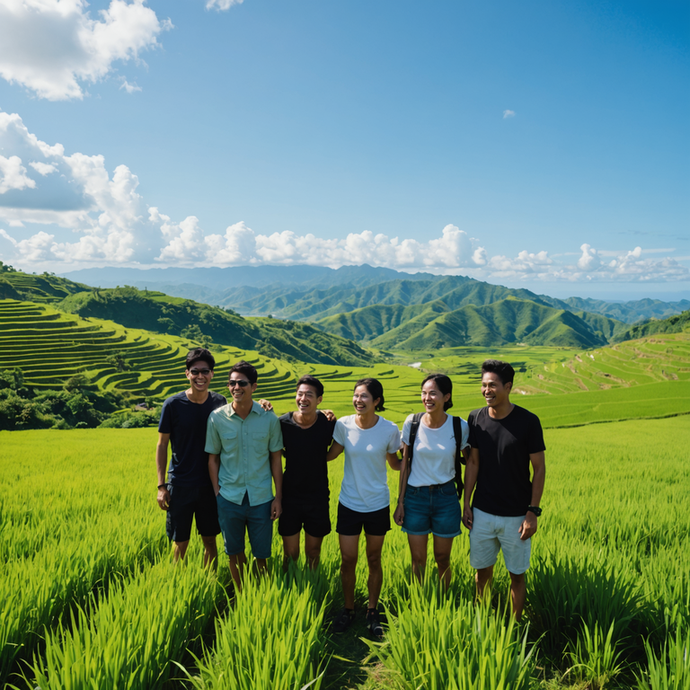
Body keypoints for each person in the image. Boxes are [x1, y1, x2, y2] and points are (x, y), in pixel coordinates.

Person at [462, 359, 546, 621]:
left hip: (516, 516)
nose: (487, 390)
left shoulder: (528, 421)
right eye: (484, 385)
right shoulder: (475, 418)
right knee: (482, 572)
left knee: (517, 575)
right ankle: (482, 622)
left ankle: (515, 626)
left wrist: (532, 512)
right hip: (483, 512)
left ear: (508, 387)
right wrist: (466, 503)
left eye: (493, 385)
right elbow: (473, 462)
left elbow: (539, 469)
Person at [326, 378, 401, 638]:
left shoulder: (390, 430)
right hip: (349, 502)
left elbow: (395, 464)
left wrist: (424, 461)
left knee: (373, 559)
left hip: (378, 504)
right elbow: (331, 454)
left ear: (377, 401)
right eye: (356, 396)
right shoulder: (343, 425)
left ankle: (372, 610)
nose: (358, 400)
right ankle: (348, 609)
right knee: (347, 560)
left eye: (364, 396)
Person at [205, 360, 283, 589]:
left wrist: (278, 497)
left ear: (254, 387)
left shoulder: (269, 418)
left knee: (262, 556)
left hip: (261, 498)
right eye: (231, 383)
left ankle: (261, 595)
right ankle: (241, 594)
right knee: (234, 553)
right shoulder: (217, 418)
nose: (236, 387)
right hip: (229, 497)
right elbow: (213, 458)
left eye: (242, 383)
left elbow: (276, 458)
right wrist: (218, 493)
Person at [394, 374, 469, 588]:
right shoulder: (413, 422)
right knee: (418, 560)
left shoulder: (458, 426)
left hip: (446, 497)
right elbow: (405, 463)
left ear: (446, 397)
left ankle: (443, 600)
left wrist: (467, 504)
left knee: (442, 559)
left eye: (433, 393)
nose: (427, 398)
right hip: (415, 497)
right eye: (424, 393)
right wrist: (400, 502)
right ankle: (420, 600)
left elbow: (471, 462)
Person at [156, 348, 226, 566]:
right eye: (195, 371)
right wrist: (161, 486)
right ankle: (177, 582)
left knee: (210, 540)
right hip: (181, 483)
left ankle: (209, 582)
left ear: (212, 374)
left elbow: (242, 412)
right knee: (180, 542)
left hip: (210, 485)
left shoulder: (220, 402)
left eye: (205, 371)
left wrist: (262, 403)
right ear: (187, 374)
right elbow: (162, 444)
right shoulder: (173, 404)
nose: (200, 376)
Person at [279, 375, 337, 570]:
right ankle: (290, 590)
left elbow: (332, 451)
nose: (303, 399)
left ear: (319, 399)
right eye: (300, 394)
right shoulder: (282, 424)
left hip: (318, 497)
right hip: (289, 497)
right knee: (290, 555)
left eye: (309, 395)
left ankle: (312, 586)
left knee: (313, 554)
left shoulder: (328, 423)